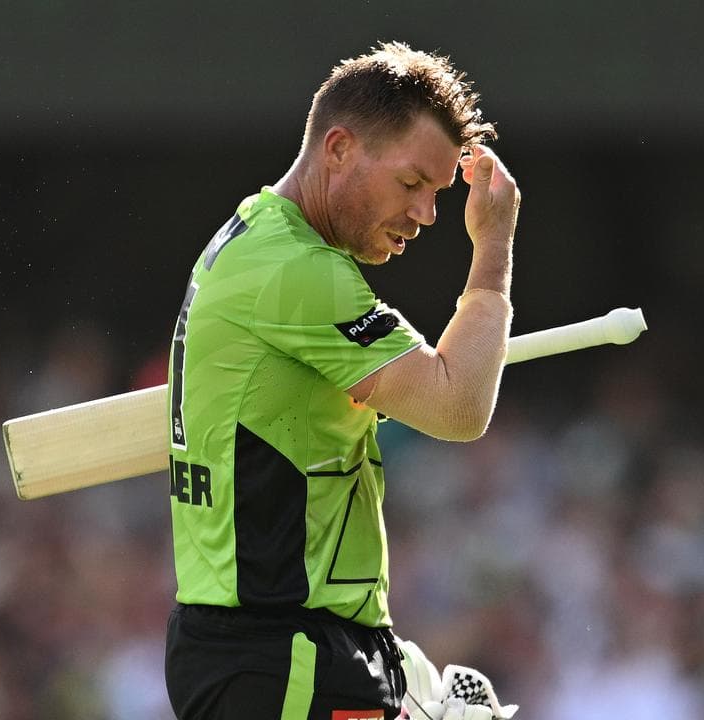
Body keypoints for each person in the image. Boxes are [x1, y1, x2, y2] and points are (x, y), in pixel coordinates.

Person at [164, 41, 519, 720]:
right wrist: (494, 247)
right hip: (282, 654)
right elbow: (457, 406)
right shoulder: (297, 270)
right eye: (411, 184)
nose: (427, 215)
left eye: (438, 194)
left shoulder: (255, 235)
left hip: (277, 649)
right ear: (338, 149)